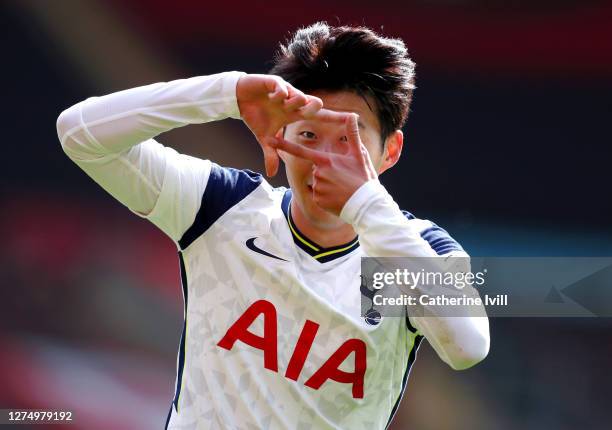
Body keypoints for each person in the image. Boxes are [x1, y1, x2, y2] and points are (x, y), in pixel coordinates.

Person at [56, 22, 489, 430]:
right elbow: (80, 134)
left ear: (390, 151)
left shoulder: (412, 247)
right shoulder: (223, 208)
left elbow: (468, 346)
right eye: (308, 136)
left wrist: (364, 202)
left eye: (348, 139)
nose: (325, 158)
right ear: (280, 138)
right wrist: (228, 93)